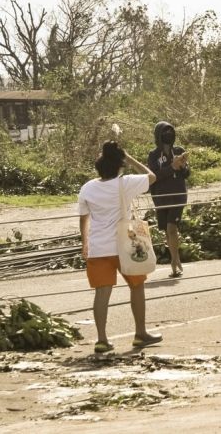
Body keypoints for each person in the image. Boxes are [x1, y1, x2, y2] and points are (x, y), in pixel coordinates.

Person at [78, 142, 163, 354]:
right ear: (119, 165)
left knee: (102, 293)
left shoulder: (87, 187)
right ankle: (140, 334)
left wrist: (85, 242)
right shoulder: (125, 183)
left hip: (98, 246)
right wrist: (130, 158)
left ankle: (102, 340)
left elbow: (84, 218)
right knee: (136, 286)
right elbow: (151, 176)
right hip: (125, 245)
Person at [148, 122, 191, 277]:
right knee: (167, 229)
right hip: (161, 196)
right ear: (158, 135)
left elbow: (186, 174)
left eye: (170, 132)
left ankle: (174, 261)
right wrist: (171, 167)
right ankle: (175, 257)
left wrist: (182, 167)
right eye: (165, 132)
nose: (168, 134)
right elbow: (154, 177)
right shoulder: (153, 155)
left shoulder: (178, 150)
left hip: (178, 195)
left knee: (172, 227)